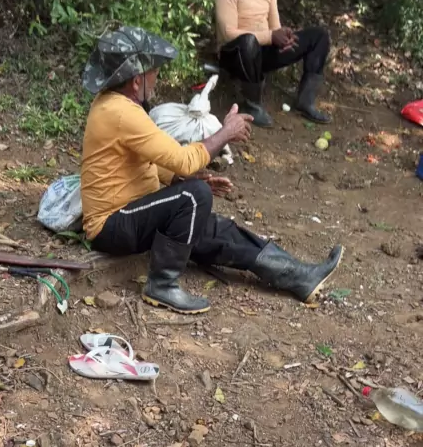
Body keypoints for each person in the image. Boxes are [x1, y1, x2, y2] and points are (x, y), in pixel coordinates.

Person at [81, 25, 343, 314]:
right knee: (194, 196)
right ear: (136, 81)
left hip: (134, 213)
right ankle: (161, 285)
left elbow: (148, 163)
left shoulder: (117, 106)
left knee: (214, 225)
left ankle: (300, 276)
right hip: (111, 225)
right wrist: (225, 133)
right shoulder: (120, 112)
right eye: (154, 71)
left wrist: (182, 180)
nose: (157, 77)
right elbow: (183, 158)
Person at [215, 0, 331, 128]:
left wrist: (283, 36)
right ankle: (252, 105)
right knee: (248, 41)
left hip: (263, 51)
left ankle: (306, 101)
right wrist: (270, 36)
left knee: (319, 36)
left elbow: (274, 26)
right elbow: (228, 33)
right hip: (235, 54)